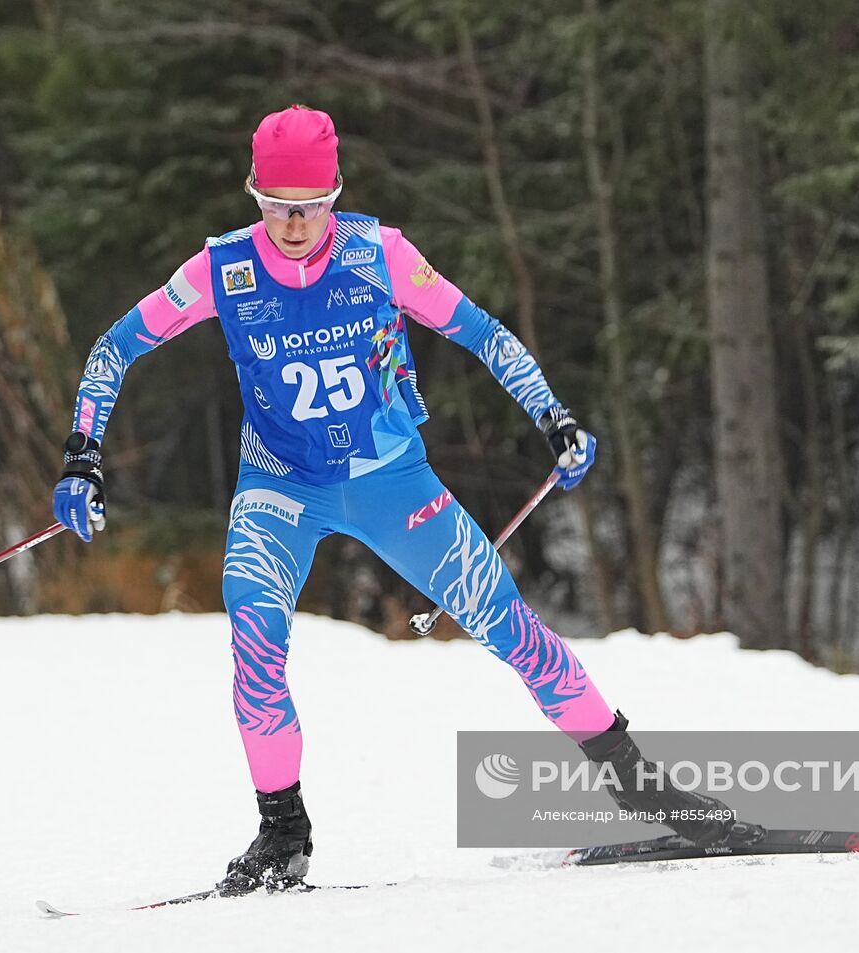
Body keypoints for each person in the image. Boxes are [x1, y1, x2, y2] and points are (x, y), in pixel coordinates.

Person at [52, 105, 760, 892]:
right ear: (254, 195)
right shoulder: (224, 269)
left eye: (310, 205)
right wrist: (83, 456)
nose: (293, 223)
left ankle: (643, 791)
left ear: (335, 195)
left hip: (391, 478)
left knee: (511, 627)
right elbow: (115, 347)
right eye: (277, 205)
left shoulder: (378, 254)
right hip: (280, 486)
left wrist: (553, 417)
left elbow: (483, 331)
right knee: (254, 646)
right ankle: (282, 832)